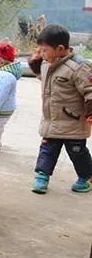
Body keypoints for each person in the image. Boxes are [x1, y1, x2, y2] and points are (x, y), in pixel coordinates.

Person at [28, 24, 92, 194]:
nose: (41, 54)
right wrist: (35, 64)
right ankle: (42, 176)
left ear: (60, 49)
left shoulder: (78, 67)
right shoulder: (45, 64)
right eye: (40, 50)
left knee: (78, 153)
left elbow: (90, 90)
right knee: (47, 150)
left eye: (44, 50)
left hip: (73, 123)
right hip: (51, 121)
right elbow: (43, 79)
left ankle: (86, 177)